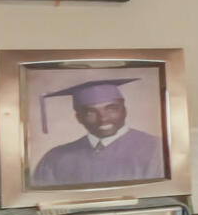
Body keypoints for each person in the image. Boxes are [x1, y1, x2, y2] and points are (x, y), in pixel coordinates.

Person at [33, 78, 163, 187]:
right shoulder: (55, 158)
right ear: (79, 118)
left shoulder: (156, 149)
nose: (103, 118)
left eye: (112, 109)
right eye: (90, 112)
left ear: (125, 110)